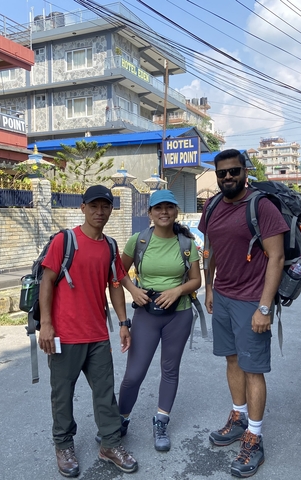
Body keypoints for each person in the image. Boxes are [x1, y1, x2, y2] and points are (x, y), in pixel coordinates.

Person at [198, 149, 287, 478]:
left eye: (233, 171)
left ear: (244, 171)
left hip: (252, 299)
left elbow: (275, 258)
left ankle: (255, 436)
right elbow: (211, 248)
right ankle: (238, 418)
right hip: (222, 295)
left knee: (252, 369)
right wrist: (209, 287)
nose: (227, 178)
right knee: (232, 359)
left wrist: (264, 307)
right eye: (222, 173)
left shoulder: (260, 206)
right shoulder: (212, 207)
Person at [38, 185, 138, 477]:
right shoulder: (65, 241)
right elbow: (47, 281)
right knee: (62, 394)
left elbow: (115, 284)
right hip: (64, 336)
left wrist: (122, 322)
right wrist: (46, 324)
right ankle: (63, 444)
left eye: (105, 206)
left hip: (97, 335)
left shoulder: (109, 246)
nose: (99, 212)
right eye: (93, 206)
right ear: (82, 208)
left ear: (110, 210)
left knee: (105, 393)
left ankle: (110, 444)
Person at [118, 189, 202, 452]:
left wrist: (178, 290)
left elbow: (196, 280)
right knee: (134, 374)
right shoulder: (139, 240)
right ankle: (120, 420)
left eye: (169, 207)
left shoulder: (187, 244)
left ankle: (161, 420)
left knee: (170, 369)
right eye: (158, 208)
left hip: (179, 313)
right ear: (150, 213)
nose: (164, 212)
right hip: (146, 314)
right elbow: (119, 272)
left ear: (176, 211)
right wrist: (133, 290)